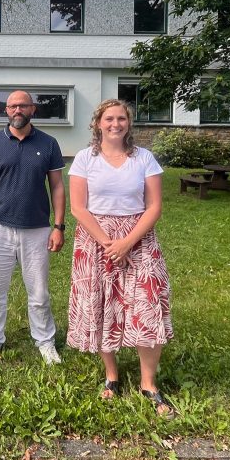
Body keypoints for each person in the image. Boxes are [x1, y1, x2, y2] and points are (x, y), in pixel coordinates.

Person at [66, 98, 173, 416]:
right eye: (109, 118)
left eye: (122, 118)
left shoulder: (145, 159)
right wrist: (107, 243)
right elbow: (78, 207)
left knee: (147, 304)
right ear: (98, 123)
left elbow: (154, 206)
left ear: (129, 123)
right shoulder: (85, 158)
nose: (116, 124)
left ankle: (148, 383)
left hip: (138, 238)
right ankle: (111, 376)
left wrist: (127, 242)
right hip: (94, 238)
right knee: (101, 305)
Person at [0, 90, 66, 365]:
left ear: (32, 109)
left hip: (37, 229)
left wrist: (59, 226)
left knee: (38, 291)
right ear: (6, 111)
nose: (17, 110)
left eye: (22, 105)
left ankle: (45, 340)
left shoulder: (48, 143)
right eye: (12, 106)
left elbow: (57, 186)